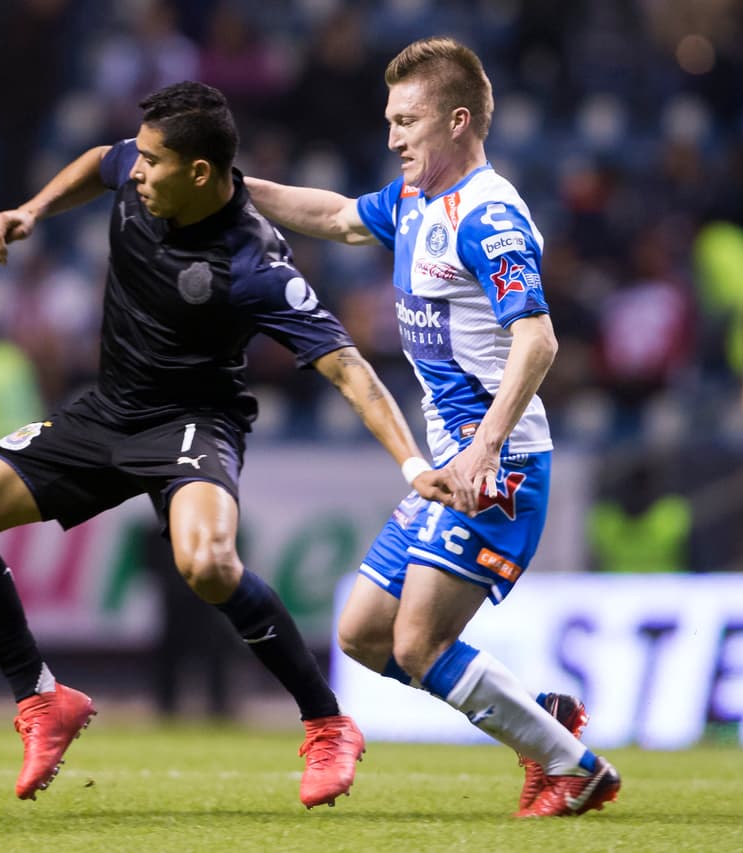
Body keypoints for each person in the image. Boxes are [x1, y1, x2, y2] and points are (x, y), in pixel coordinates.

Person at [0, 81, 456, 807]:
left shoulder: (255, 264)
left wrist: (413, 463)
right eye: (138, 158)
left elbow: (349, 370)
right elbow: (97, 161)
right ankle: (42, 698)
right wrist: (33, 210)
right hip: (106, 412)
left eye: (151, 162)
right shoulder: (140, 173)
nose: (135, 171)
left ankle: (327, 722)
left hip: (193, 425)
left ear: (199, 172)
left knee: (206, 563)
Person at [246, 37, 622, 818]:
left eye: (406, 121)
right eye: (389, 121)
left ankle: (573, 767)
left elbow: (538, 340)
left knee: (418, 643)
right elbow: (338, 216)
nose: (392, 137)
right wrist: (234, 190)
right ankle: (540, 719)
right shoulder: (415, 201)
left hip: (498, 466)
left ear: (457, 121)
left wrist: (485, 445)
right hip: (450, 468)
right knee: (362, 634)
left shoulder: (488, 216)